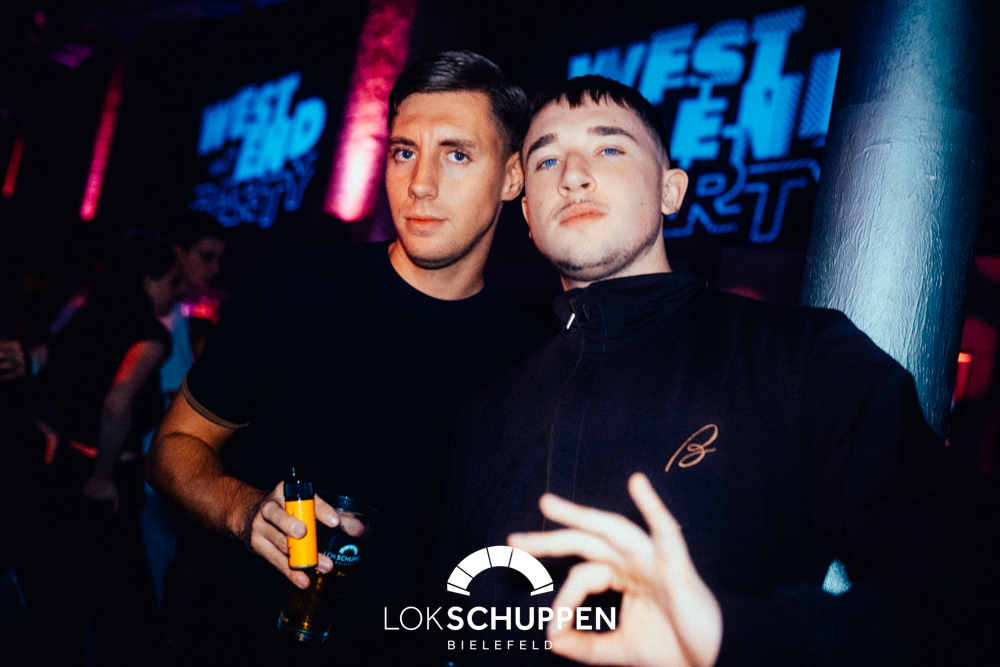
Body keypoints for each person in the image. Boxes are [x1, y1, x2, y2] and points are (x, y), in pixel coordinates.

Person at [436, 75, 1000, 666]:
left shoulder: (796, 358)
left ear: (670, 190)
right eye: (547, 160)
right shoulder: (486, 417)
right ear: (528, 213)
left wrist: (730, 638)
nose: (573, 175)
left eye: (609, 148)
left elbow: (975, 564)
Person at [145, 50, 544, 665]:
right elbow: (173, 447)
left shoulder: (527, 361)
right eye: (405, 152)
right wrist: (242, 509)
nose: (421, 183)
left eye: (457, 155)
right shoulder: (293, 288)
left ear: (513, 178)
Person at [38, 233, 184, 665]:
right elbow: (117, 402)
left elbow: (39, 371)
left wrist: (51, 435)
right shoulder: (150, 334)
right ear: (146, 280)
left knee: (66, 596)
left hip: (67, 465)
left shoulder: (87, 318)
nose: (177, 292)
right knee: (124, 612)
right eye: (171, 281)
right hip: (109, 477)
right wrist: (103, 475)